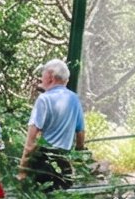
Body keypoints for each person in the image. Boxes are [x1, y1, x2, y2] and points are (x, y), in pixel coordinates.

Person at [20, 59, 87, 189]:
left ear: (50, 76)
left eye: (43, 74)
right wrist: (78, 156)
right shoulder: (73, 98)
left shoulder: (44, 99)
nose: (41, 77)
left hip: (44, 162)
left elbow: (30, 141)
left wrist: (22, 170)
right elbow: (80, 132)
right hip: (65, 162)